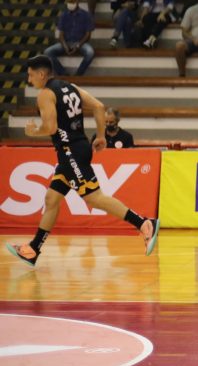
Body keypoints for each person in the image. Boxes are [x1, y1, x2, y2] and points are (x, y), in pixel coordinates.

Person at [6, 56, 159, 266]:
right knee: (52, 199)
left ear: (41, 74)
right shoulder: (71, 87)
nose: (29, 80)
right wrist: (101, 136)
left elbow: (50, 128)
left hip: (70, 153)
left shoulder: (45, 95)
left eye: (31, 75)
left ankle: (144, 223)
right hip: (77, 149)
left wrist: (33, 131)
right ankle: (33, 249)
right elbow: (98, 106)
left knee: (94, 198)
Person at [44, 0, 95, 76]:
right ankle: (63, 73)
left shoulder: (86, 15)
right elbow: (61, 35)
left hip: (80, 43)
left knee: (90, 53)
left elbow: (88, 35)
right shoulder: (64, 15)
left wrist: (78, 46)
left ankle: (78, 74)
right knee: (47, 52)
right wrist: (65, 46)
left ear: (77, 2)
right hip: (66, 42)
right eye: (69, 2)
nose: (70, 4)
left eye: (72, 2)